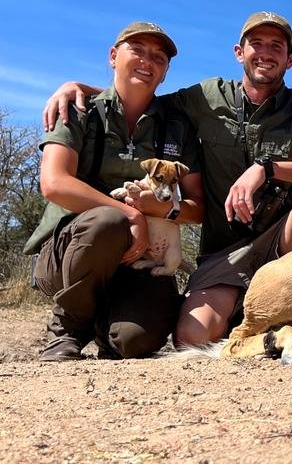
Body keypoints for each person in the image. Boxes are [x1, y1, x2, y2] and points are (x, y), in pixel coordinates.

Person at [42, 12, 292, 346]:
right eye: (256, 43)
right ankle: (244, 319)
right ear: (239, 52)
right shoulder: (208, 96)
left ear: (290, 59)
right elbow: (144, 95)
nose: (265, 52)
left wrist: (268, 168)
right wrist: (80, 88)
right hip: (227, 250)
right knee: (191, 338)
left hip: (284, 241)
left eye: (276, 46)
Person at [25, 21, 204, 361]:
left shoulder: (177, 127)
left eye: (159, 57)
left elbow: (198, 208)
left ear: (165, 73)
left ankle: (106, 323)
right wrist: (130, 212)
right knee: (108, 221)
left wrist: (164, 210)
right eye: (137, 50)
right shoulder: (77, 110)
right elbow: (54, 183)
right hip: (70, 256)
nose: (147, 61)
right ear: (112, 56)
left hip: (141, 259)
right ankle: (67, 329)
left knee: (135, 342)